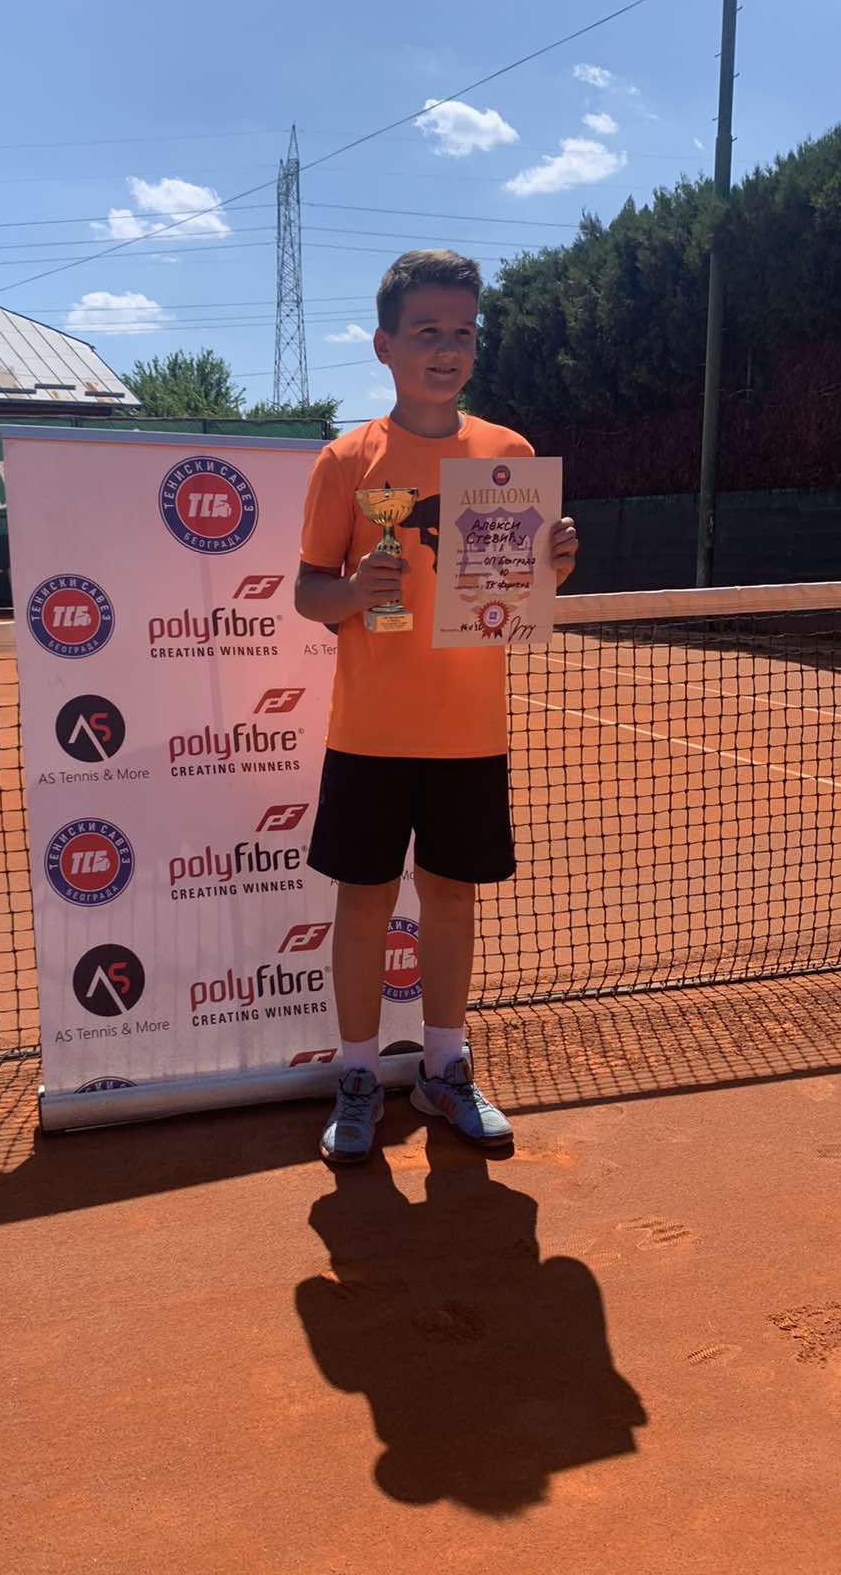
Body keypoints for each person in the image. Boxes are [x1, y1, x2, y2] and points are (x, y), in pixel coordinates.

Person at [294, 249, 578, 1164]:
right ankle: (356, 1075)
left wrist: (554, 565)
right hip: (369, 735)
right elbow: (308, 591)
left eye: (463, 332)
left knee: (452, 897)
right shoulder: (346, 461)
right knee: (365, 903)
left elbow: (522, 591)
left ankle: (444, 1068)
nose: (447, 349)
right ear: (385, 345)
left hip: (469, 732)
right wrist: (353, 590)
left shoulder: (511, 456)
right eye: (426, 331)